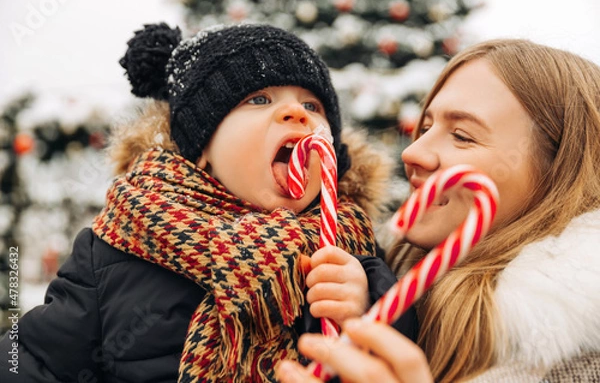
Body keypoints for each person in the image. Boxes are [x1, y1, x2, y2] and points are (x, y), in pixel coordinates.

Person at [0, 23, 416, 382]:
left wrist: (369, 305)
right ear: (203, 149)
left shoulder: (350, 248)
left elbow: (406, 356)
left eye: (312, 105)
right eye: (259, 100)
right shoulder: (119, 247)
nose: (296, 113)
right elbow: (32, 361)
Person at [276, 38, 600, 383]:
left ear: (560, 171)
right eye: (427, 127)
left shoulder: (578, 362)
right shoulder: (369, 273)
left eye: (462, 135)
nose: (412, 152)